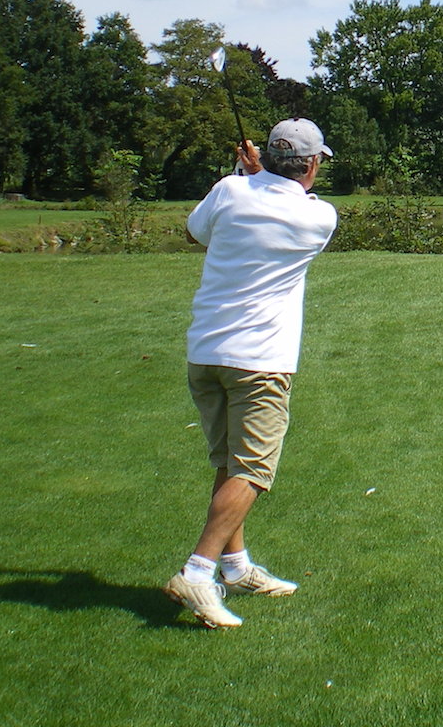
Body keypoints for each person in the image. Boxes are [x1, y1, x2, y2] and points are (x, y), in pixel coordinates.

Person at [164, 118, 338, 629]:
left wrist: (248, 175)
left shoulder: (230, 191)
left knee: (228, 464)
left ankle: (236, 568)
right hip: (260, 361)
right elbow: (286, 200)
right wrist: (259, 174)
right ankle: (198, 571)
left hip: (206, 353)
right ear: (310, 164)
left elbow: (199, 232)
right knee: (252, 470)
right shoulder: (319, 218)